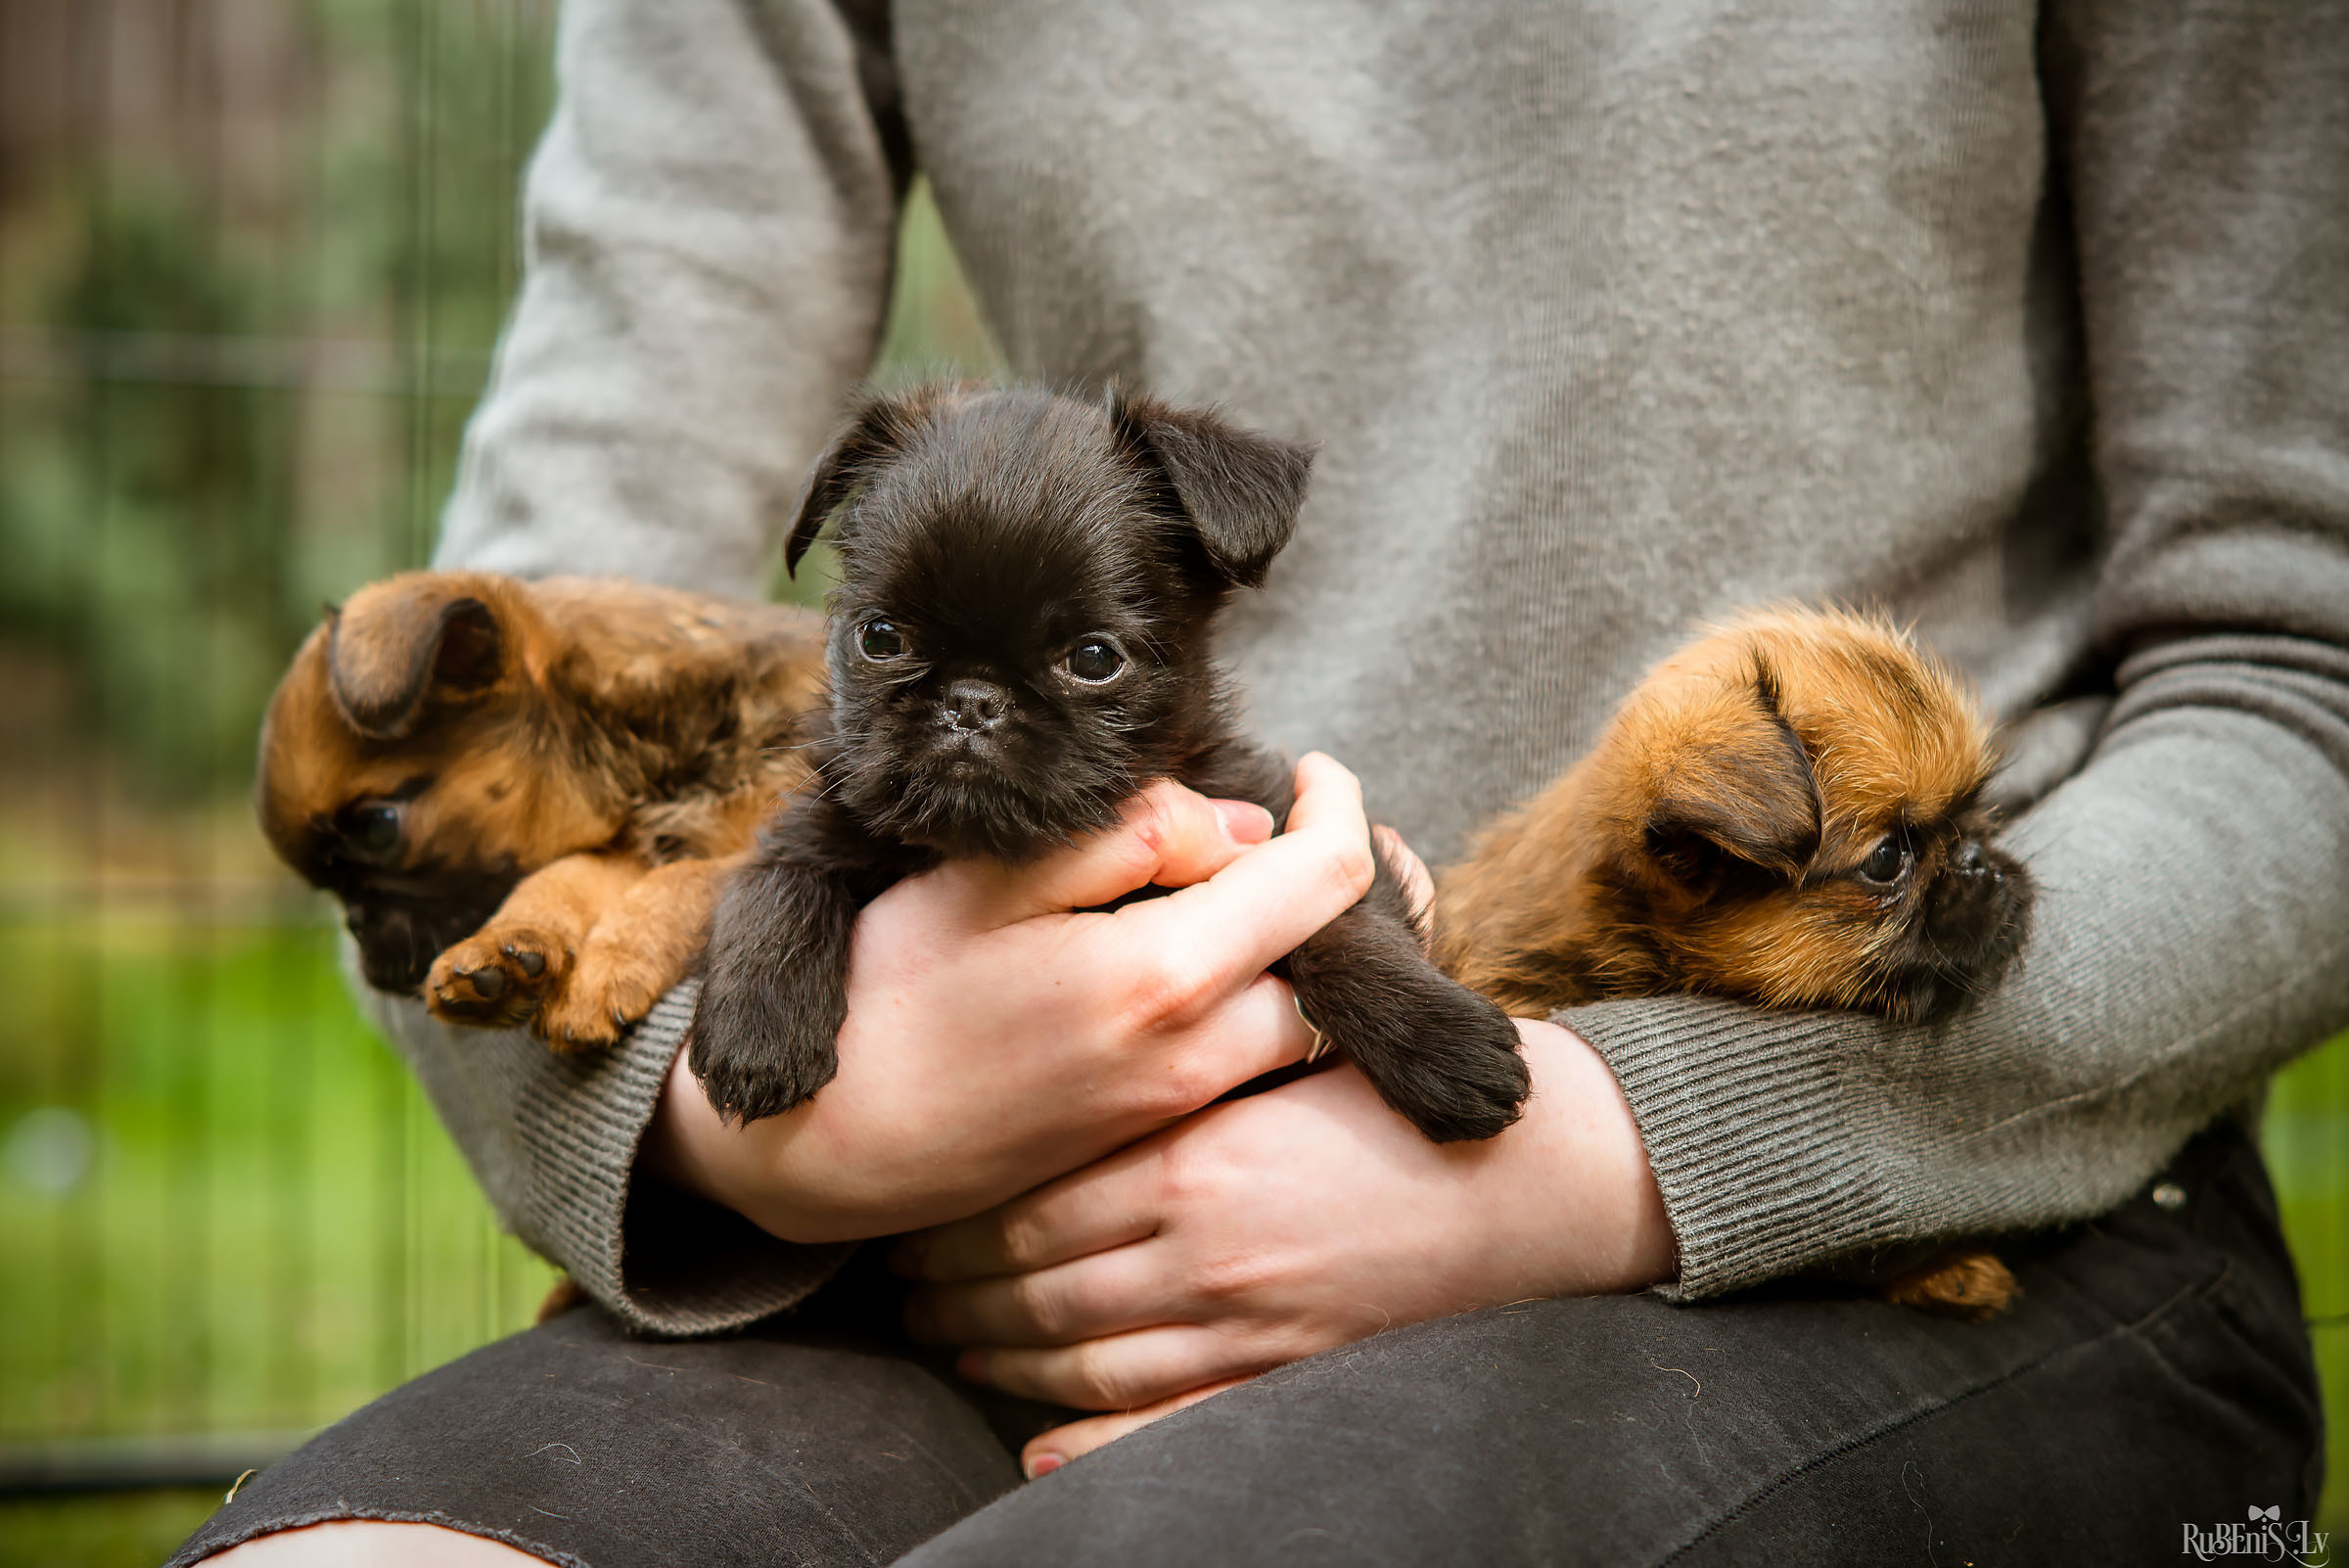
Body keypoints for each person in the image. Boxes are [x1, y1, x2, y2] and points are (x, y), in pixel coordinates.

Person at [176, 0, 2349, 1562]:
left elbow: (2305, 665)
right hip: (969, 1245)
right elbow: (476, 719)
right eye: (892, 649)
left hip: (1959, 1185)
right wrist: (753, 1137)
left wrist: (1630, 1153)